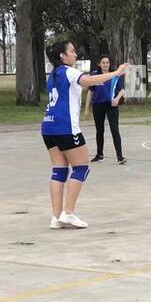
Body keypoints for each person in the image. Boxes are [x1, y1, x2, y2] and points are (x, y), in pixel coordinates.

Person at [42, 41, 129, 229]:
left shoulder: (53, 75)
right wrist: (116, 73)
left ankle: (56, 217)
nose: (75, 54)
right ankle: (68, 213)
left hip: (48, 126)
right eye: (72, 51)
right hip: (65, 127)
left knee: (59, 170)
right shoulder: (68, 71)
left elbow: (78, 88)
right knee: (81, 167)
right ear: (62, 57)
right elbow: (89, 81)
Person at [84, 54, 127, 165]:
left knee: (114, 129)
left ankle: (120, 156)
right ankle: (99, 155)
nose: (105, 64)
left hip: (111, 105)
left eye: (107, 62)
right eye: (103, 62)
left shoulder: (115, 75)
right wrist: (87, 108)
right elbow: (90, 91)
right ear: (99, 64)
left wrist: (117, 99)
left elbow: (122, 90)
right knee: (99, 130)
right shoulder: (94, 75)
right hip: (98, 105)